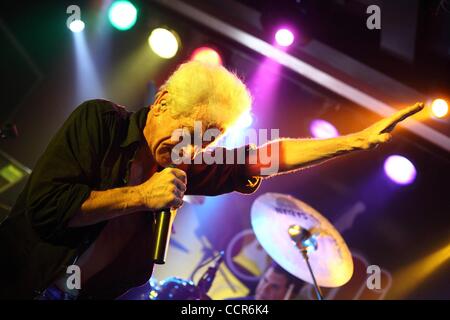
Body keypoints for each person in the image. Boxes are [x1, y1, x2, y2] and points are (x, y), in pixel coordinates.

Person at [0, 61, 423, 299]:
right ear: (163, 100)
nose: (196, 148)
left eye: (210, 139)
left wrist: (353, 142)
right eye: (194, 131)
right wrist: (142, 196)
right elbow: (46, 208)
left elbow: (264, 157)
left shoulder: (186, 158)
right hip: (26, 281)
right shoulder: (100, 122)